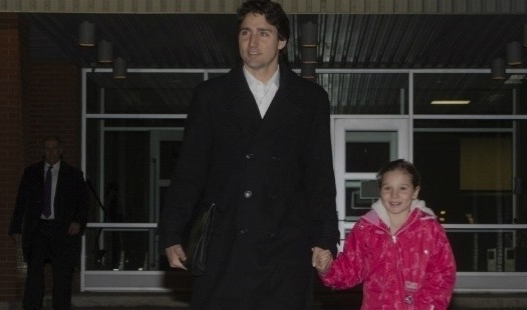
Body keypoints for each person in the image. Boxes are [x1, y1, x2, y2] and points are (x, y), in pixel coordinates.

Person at [158, 0, 339, 308]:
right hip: (225, 244)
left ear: (282, 41)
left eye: (264, 33)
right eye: (245, 33)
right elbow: (190, 171)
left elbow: (319, 176)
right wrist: (172, 233)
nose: (253, 42)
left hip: (285, 245)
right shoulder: (211, 96)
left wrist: (325, 238)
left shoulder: (310, 100)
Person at [313, 159, 456, 310]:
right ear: (380, 190)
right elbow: (349, 271)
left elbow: (443, 275)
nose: (394, 195)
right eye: (388, 188)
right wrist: (327, 268)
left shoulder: (430, 230)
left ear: (415, 191)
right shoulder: (366, 229)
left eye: (403, 188)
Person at [8, 136, 89, 310]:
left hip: (63, 230)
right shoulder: (31, 173)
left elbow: (83, 203)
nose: (51, 152)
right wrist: (15, 227)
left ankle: (61, 306)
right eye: (47, 148)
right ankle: (32, 306)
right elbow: (21, 201)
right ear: (43, 151)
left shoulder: (74, 174)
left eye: (54, 148)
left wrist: (78, 222)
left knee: (62, 274)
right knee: (34, 272)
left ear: (61, 150)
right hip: (38, 229)